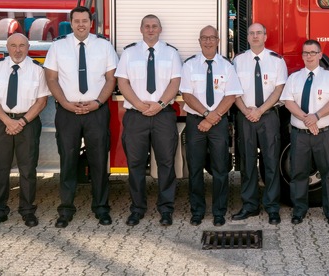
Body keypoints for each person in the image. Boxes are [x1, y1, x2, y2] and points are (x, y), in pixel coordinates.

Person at [44, 6, 118, 228]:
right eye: (76, 21)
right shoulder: (58, 46)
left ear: (91, 23)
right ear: (71, 23)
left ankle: (101, 208)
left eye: (85, 20)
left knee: (99, 161)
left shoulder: (104, 46)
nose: (81, 24)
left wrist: (97, 103)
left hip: (97, 112)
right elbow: (51, 79)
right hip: (67, 112)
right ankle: (66, 209)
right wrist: (65, 103)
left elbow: (111, 79)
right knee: (67, 161)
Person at [115, 14, 182, 227]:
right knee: (135, 164)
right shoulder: (129, 53)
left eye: (154, 26)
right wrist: (138, 104)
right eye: (147, 26)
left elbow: (175, 82)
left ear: (160, 29)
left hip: (163, 115)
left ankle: (166, 209)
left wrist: (160, 104)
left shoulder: (171, 53)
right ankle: (137, 209)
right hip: (136, 115)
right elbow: (122, 82)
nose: (151, 30)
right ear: (141, 29)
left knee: (166, 163)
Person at [0, 33, 50, 229]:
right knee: (0, 169)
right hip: (1, 122)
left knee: (28, 170)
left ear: (27, 48)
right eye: (13, 46)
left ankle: (27, 211)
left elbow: (42, 101)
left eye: (21, 46)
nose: (17, 50)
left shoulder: (37, 70)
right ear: (7, 47)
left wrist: (21, 122)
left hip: (28, 122)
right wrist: (7, 122)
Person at [180, 25, 243, 227]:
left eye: (211, 38)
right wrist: (207, 115)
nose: (208, 41)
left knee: (220, 168)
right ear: (199, 42)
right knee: (195, 168)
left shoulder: (226, 65)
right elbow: (187, 95)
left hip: (218, 121)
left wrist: (213, 117)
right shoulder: (190, 65)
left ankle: (219, 212)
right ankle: (197, 211)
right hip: (196, 122)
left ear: (218, 41)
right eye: (204, 38)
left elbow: (231, 94)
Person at [280, 40, 329, 224]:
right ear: (302, 56)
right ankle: (299, 211)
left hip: (325, 134)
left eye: (313, 52)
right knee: (298, 173)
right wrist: (306, 119)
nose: (309, 56)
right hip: (300, 135)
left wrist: (316, 116)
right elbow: (288, 101)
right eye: (306, 53)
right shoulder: (294, 78)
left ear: (320, 55)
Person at [232, 23, 288, 225]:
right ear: (247, 37)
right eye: (251, 33)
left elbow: (279, 89)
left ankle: (272, 207)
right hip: (245, 115)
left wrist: (260, 110)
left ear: (265, 36)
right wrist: (246, 110)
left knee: (271, 162)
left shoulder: (276, 60)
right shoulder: (238, 61)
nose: (255, 36)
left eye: (259, 33)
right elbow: (233, 90)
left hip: (268, 116)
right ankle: (249, 206)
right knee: (247, 163)